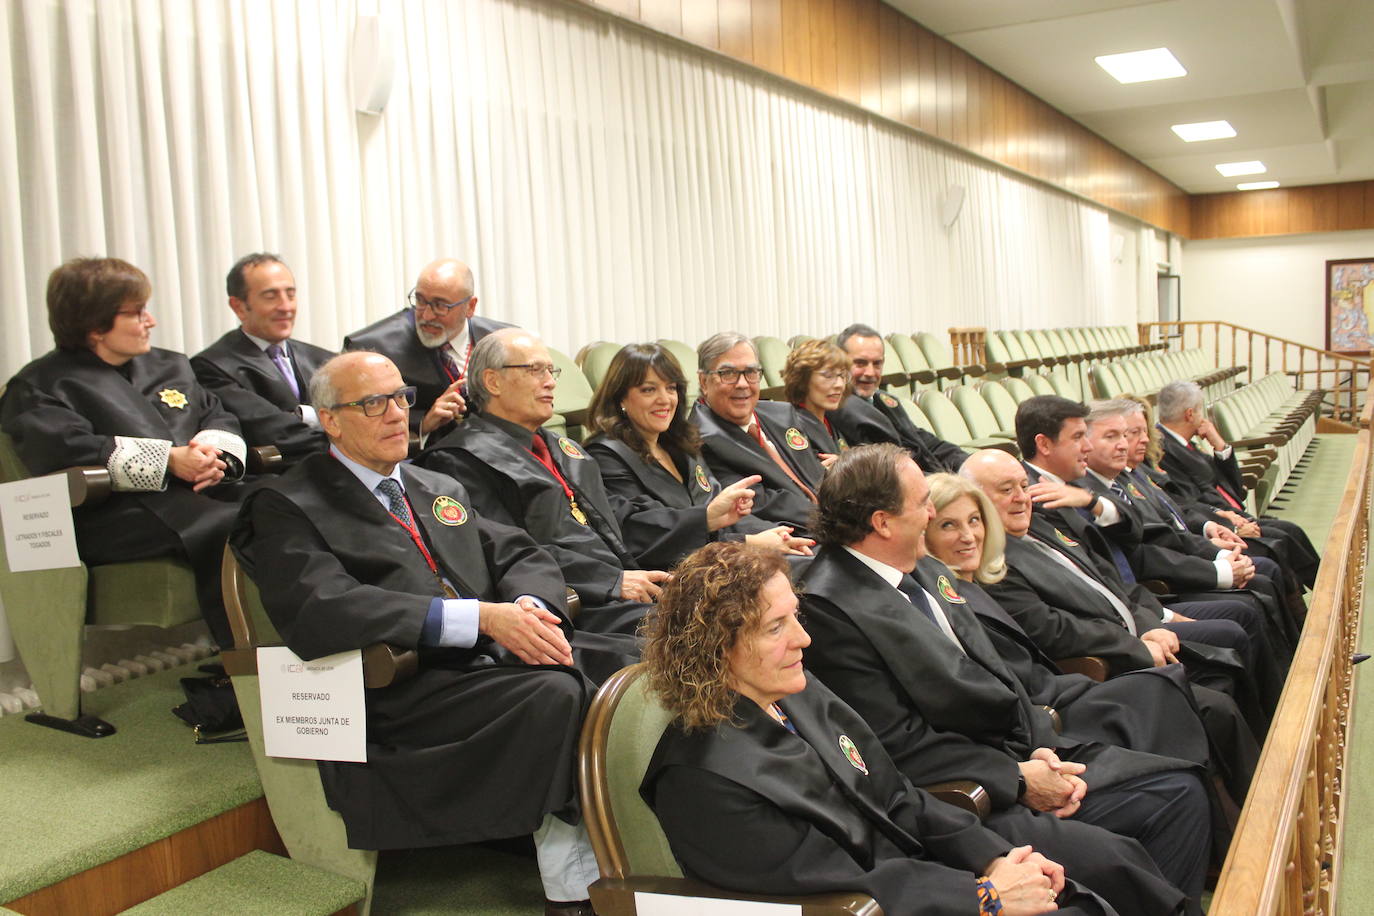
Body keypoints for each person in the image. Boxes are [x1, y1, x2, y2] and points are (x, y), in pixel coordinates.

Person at [230, 351, 599, 916]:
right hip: (399, 686)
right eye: (372, 403)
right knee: (559, 691)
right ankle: (572, 892)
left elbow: (521, 551)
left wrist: (528, 605)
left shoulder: (431, 482)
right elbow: (323, 605)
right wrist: (479, 617)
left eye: (401, 397)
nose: (397, 414)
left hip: (489, 663)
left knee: (629, 658)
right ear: (330, 419)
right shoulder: (287, 503)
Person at [798, 445, 1206, 915]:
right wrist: (1016, 778)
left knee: (1177, 774)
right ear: (883, 522)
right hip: (965, 797)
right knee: (1166, 806)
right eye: (922, 503)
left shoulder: (923, 568)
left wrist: (1037, 747)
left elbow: (996, 671)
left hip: (1021, 747)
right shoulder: (830, 606)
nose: (932, 511)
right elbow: (894, 743)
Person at [641, 540, 1113, 916]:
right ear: (716, 648)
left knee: (1087, 886)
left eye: (795, 617)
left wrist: (991, 858)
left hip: (921, 881)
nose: (804, 638)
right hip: (875, 906)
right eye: (774, 628)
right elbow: (832, 889)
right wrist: (984, 897)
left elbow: (898, 797)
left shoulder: (798, 695)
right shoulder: (702, 778)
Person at [961, 448, 1262, 801]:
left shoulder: (1039, 523)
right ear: (976, 502)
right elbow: (1054, 631)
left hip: (1136, 634)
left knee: (1228, 660)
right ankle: (1254, 808)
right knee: (1215, 702)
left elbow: (1109, 577)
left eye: (1023, 486)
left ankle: (1258, 772)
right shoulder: (992, 563)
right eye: (1005, 489)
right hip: (1099, 668)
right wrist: (1137, 646)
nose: (1020, 498)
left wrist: (1150, 623)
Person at [1, 257, 246, 649]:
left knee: (286, 501)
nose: (150, 321)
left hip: (200, 492)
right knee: (236, 521)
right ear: (94, 324)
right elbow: (66, 448)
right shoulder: (40, 385)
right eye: (136, 313)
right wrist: (169, 460)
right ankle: (243, 657)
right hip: (114, 512)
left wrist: (212, 454)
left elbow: (216, 412)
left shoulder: (170, 364)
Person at [419, 329, 664, 634]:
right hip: (573, 606)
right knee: (695, 635)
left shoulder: (559, 447)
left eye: (551, 370)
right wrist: (610, 581)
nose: (550, 382)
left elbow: (617, 518)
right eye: (535, 370)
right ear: (492, 381)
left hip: (626, 589)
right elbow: (511, 553)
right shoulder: (459, 459)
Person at [583, 342, 812, 569]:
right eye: (648, 390)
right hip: (679, 575)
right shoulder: (606, 456)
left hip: (721, 558)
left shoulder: (680, 445)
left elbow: (721, 516)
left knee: (812, 558)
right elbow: (641, 535)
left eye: (671, 388)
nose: (665, 399)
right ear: (620, 397)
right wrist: (749, 542)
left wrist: (773, 537)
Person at [1155, 380, 1319, 589]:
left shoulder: (1183, 443)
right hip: (1217, 521)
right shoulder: (1164, 450)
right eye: (1199, 411)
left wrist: (1220, 445)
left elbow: (1234, 487)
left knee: (1291, 531)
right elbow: (1186, 501)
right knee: (1279, 542)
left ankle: (1325, 589)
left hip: (1231, 514)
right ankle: (1310, 606)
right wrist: (1229, 523)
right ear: (1189, 414)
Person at [191, 253, 335, 466]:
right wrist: (348, 439)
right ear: (239, 306)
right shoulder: (212, 367)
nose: (286, 307)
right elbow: (275, 431)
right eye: (271, 296)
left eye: (291, 294)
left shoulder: (325, 359)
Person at [343, 258, 510, 438]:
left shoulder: (504, 340)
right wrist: (423, 423)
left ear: (470, 307)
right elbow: (351, 418)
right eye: (421, 301)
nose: (427, 315)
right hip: (421, 459)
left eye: (440, 306)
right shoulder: (370, 350)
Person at [692, 332, 824, 533]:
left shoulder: (781, 414)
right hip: (799, 532)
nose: (743, 383)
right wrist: (837, 518)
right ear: (703, 382)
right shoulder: (701, 439)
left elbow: (813, 469)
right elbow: (760, 502)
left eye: (751, 372)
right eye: (728, 373)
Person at [829, 323, 968, 471]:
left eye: (877, 364)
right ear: (840, 364)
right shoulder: (839, 409)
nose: (870, 372)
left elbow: (925, 443)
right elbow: (885, 468)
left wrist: (969, 462)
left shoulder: (885, 401)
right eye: (860, 363)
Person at [781, 337, 851, 462]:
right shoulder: (792, 428)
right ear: (803, 379)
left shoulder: (831, 421)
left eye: (842, 375)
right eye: (828, 375)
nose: (839, 384)